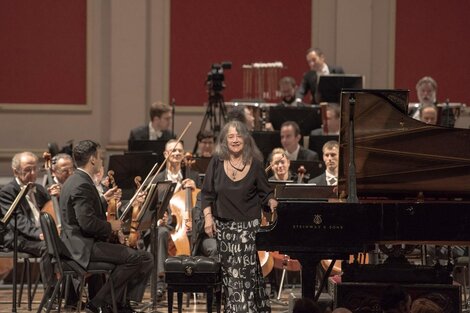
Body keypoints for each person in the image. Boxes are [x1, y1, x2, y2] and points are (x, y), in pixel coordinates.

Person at [59, 140, 153, 313]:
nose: (102, 161)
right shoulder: (82, 185)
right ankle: (100, 303)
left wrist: (102, 199)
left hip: (78, 244)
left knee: (143, 257)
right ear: (93, 160)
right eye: (100, 157)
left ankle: (119, 303)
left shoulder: (76, 180)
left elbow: (83, 212)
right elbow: (87, 224)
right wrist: (112, 226)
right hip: (83, 248)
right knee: (137, 258)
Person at [201, 120, 278, 313]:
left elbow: (265, 192)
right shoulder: (217, 162)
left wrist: (271, 201)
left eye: (239, 135)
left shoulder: (256, 164)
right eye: (230, 136)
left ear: (246, 138)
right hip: (224, 227)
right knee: (231, 273)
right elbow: (207, 194)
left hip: (248, 228)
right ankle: (248, 307)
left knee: (242, 272)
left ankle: (240, 309)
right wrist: (208, 218)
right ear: (225, 141)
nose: (235, 140)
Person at [0, 152, 55, 298]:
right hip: (18, 237)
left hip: (40, 234)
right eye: (27, 170)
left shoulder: (40, 189)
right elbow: (18, 221)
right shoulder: (7, 192)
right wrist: (39, 234)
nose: (32, 173)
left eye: (34, 169)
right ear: (16, 171)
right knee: (47, 247)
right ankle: (51, 296)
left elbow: (52, 211)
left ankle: (70, 294)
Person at [153, 139, 199, 300]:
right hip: (166, 224)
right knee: (161, 233)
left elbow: (202, 201)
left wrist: (195, 188)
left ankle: (190, 280)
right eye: (174, 151)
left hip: (185, 223)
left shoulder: (192, 176)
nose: (178, 153)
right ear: (166, 155)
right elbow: (152, 207)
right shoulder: (157, 179)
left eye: (180, 150)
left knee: (194, 234)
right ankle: (160, 283)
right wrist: (159, 218)